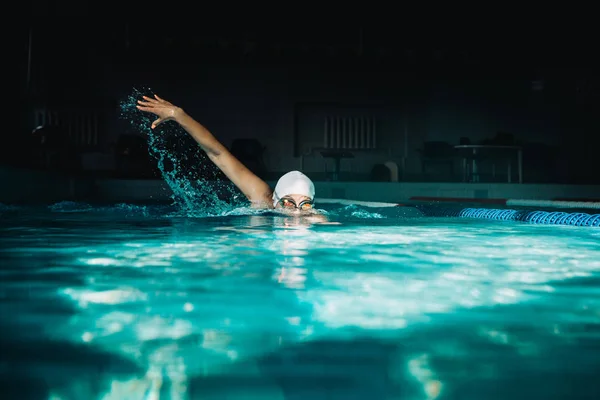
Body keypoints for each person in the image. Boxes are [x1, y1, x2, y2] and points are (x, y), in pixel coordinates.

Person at [136, 95, 317, 212]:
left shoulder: (315, 219)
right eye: (287, 203)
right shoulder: (262, 199)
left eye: (305, 205)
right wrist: (179, 115)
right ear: (275, 201)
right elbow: (218, 153)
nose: (296, 213)